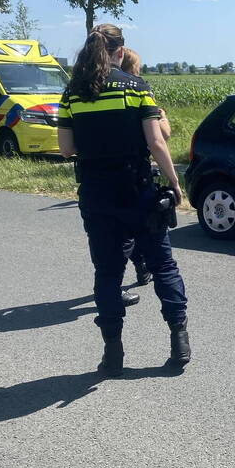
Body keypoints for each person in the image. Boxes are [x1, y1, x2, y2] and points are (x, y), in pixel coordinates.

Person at [57, 24, 190, 377]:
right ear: (120, 52)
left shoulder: (73, 93)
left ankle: (112, 352)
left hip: (97, 194)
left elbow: (66, 148)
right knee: (163, 265)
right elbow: (156, 142)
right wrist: (175, 184)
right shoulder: (137, 87)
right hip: (137, 190)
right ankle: (179, 339)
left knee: (108, 272)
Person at [119, 47, 168, 286]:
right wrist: (163, 115)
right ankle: (146, 265)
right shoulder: (139, 90)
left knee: (122, 233)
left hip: (108, 177)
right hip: (139, 172)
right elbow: (162, 136)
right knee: (147, 229)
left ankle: (138, 265)